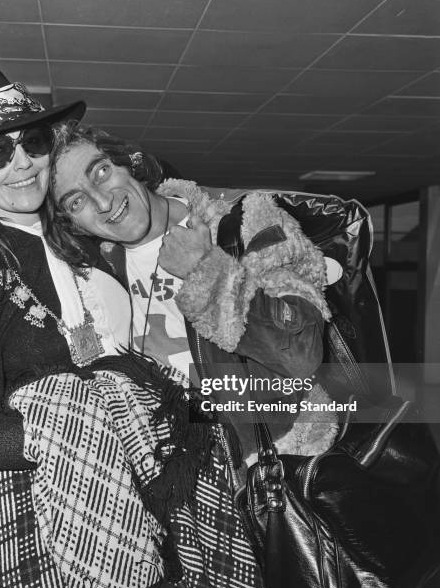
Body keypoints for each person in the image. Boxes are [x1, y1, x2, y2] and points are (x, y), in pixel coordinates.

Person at [0, 58, 272, 588]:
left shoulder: (85, 234)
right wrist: (112, 423)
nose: (21, 164)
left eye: (33, 142)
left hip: (173, 479)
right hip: (52, 506)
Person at [45, 124, 339, 465]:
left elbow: (301, 352)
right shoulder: (98, 271)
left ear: (129, 164)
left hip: (264, 468)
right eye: (76, 200)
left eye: (101, 171)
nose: (103, 201)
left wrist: (205, 269)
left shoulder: (247, 223)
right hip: (173, 472)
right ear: (73, 223)